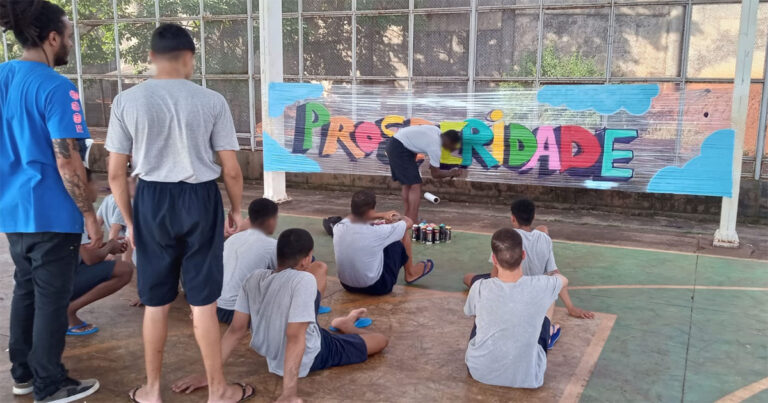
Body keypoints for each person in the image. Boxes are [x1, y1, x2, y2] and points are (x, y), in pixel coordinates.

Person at [105, 24, 253, 402]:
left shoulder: (127, 101)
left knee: (156, 302)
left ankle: (152, 391)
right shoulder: (212, 100)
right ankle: (218, 390)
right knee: (203, 303)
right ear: (189, 58)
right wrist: (235, 210)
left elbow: (115, 173)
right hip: (201, 198)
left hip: (152, 199)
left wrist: (132, 220)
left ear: (151, 58)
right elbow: (231, 169)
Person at [0, 1, 102, 401]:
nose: (70, 45)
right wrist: (89, 213)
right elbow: (67, 159)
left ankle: (22, 374)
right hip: (52, 212)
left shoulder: (4, 77)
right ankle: (50, 382)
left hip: (13, 210)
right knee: (50, 299)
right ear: (52, 38)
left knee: (25, 290)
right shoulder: (58, 88)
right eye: (69, 37)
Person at [171, 229, 389, 403]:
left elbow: (235, 331)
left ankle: (340, 324)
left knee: (308, 324)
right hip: (316, 352)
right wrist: (289, 393)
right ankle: (346, 325)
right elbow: (295, 337)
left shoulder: (254, 278)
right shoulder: (304, 281)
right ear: (306, 259)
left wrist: (207, 375)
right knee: (381, 340)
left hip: (273, 354)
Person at [465, 228, 566, 389]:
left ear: (494, 260)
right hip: (529, 376)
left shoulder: (480, 286)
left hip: (479, 371)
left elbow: (470, 313)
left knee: (480, 314)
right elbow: (562, 280)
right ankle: (546, 336)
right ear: (523, 256)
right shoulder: (542, 285)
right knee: (550, 297)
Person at [463, 198, 594, 320]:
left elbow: (494, 275)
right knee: (542, 229)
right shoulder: (544, 239)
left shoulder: (507, 238)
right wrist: (571, 307)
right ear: (534, 216)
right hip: (534, 290)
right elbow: (555, 273)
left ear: (513, 218)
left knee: (468, 278)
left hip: (510, 287)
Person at [217, 198, 328, 324]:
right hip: (241, 314)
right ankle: (310, 310)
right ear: (271, 220)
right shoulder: (271, 245)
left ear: (249, 218)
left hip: (217, 308)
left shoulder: (232, 239)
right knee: (319, 267)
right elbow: (303, 264)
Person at [66, 171, 135, 336]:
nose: (97, 188)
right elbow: (90, 259)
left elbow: (83, 248)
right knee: (124, 270)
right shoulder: (77, 214)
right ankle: (68, 311)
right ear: (83, 187)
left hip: (46, 279)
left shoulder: (67, 208)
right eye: (93, 183)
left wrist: (106, 245)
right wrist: (110, 247)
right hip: (57, 281)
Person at [333, 190, 433, 295]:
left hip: (347, 285)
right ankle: (411, 273)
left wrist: (381, 215)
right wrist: (394, 216)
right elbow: (408, 222)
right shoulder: (378, 232)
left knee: (378, 241)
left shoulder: (339, 226)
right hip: (378, 287)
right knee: (401, 233)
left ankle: (409, 272)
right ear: (373, 209)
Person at [386, 125, 462, 222]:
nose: (452, 149)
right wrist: (451, 173)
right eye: (452, 147)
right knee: (415, 185)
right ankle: (412, 220)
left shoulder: (436, 131)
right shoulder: (435, 146)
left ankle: (408, 217)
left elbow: (419, 139)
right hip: (400, 148)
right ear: (448, 141)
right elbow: (435, 174)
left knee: (408, 184)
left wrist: (437, 167)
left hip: (399, 145)